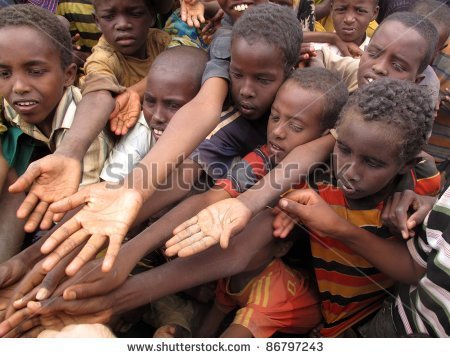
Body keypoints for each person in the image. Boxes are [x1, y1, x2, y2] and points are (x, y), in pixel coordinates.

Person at [0, 79, 440, 338]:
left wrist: (340, 228)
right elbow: (216, 195)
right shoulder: (299, 160)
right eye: (344, 150)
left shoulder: (416, 189)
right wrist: (125, 255)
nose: (352, 167)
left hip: (365, 322)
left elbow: (415, 269)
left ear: (405, 161)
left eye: (373, 162)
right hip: (322, 310)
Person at [0, 5, 112, 260]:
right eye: (4, 73)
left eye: (36, 72)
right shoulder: (11, 105)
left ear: (68, 75)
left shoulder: (85, 129)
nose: (18, 87)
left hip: (94, 209)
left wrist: (26, 262)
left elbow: (83, 214)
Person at [100, 46, 208, 182]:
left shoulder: (220, 135)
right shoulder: (143, 130)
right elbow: (110, 185)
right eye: (150, 101)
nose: (157, 116)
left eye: (173, 106)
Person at [196, 236, 321, 338]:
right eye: (238, 234)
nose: (237, 245)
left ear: (282, 249)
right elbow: (212, 320)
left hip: (314, 315)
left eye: (253, 242)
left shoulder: (267, 297)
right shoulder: (233, 272)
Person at [312, 0, 379, 57]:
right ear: (331, 10)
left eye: (360, 10)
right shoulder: (314, 50)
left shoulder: (378, 56)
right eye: (341, 9)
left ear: (374, 13)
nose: (348, 19)